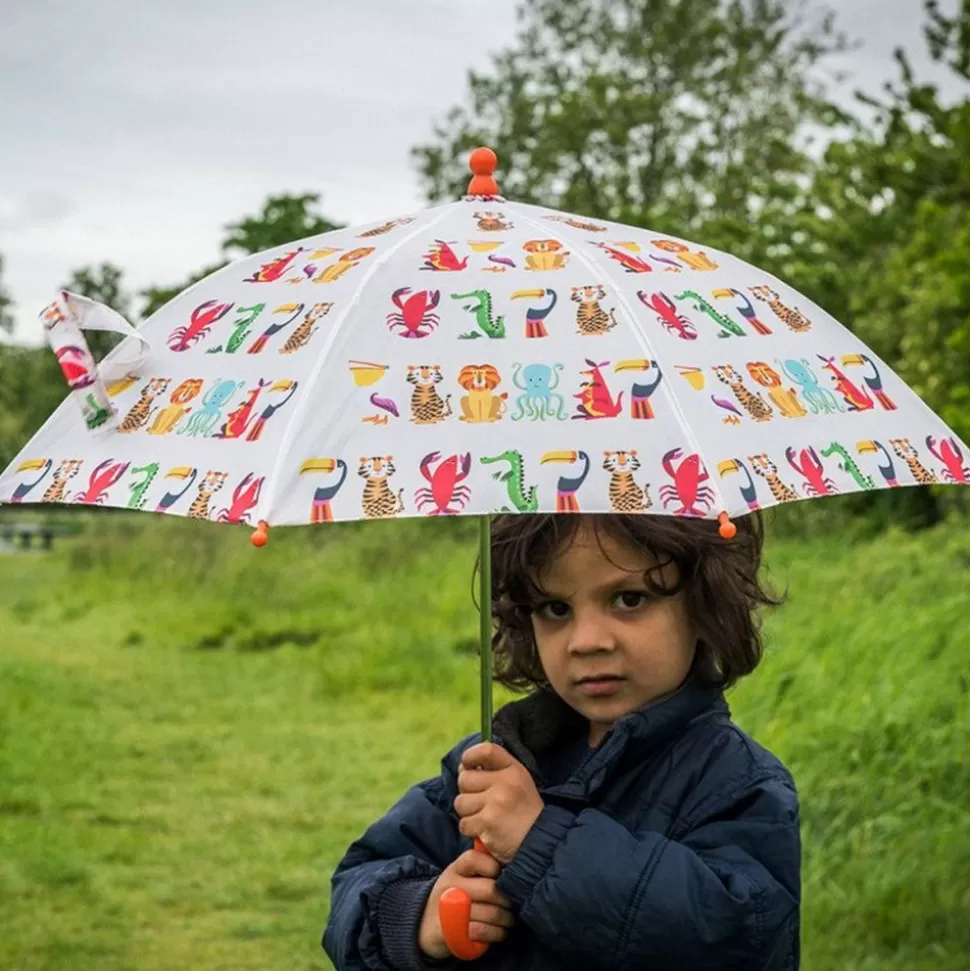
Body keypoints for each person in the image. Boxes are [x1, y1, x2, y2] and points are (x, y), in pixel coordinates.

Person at [323, 512, 800, 970]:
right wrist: (419, 916)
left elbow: (736, 938)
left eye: (628, 599)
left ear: (703, 604)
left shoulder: (736, 783)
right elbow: (359, 881)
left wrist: (537, 841)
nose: (586, 641)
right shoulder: (492, 764)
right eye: (555, 609)